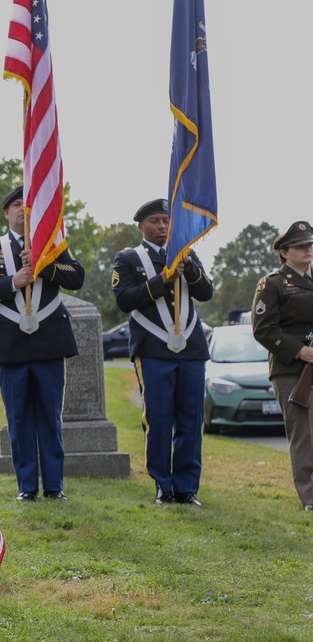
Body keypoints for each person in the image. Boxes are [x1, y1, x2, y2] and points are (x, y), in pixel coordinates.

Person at [0, 185, 84, 501]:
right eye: (16, 204)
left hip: (49, 341)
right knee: (18, 419)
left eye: (28, 204)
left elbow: (76, 277)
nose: (22, 209)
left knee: (49, 416)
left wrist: (44, 263)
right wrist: (11, 282)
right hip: (11, 344)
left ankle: (55, 486)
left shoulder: (53, 244)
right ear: (6, 213)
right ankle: (27, 487)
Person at [112, 198, 213, 506]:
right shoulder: (128, 258)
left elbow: (206, 292)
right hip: (153, 348)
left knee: (190, 420)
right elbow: (124, 300)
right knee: (159, 418)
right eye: (155, 221)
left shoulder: (187, 253)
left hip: (191, 350)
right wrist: (162, 279)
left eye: (166, 221)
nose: (162, 226)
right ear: (141, 225)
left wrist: (189, 268)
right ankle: (163, 485)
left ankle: (186, 487)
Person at [251, 220, 313, 511]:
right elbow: (264, 329)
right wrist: (300, 352)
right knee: (303, 435)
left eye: (310, 245)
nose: (308, 250)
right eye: (301, 246)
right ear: (284, 252)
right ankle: (310, 498)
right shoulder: (273, 284)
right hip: (292, 371)